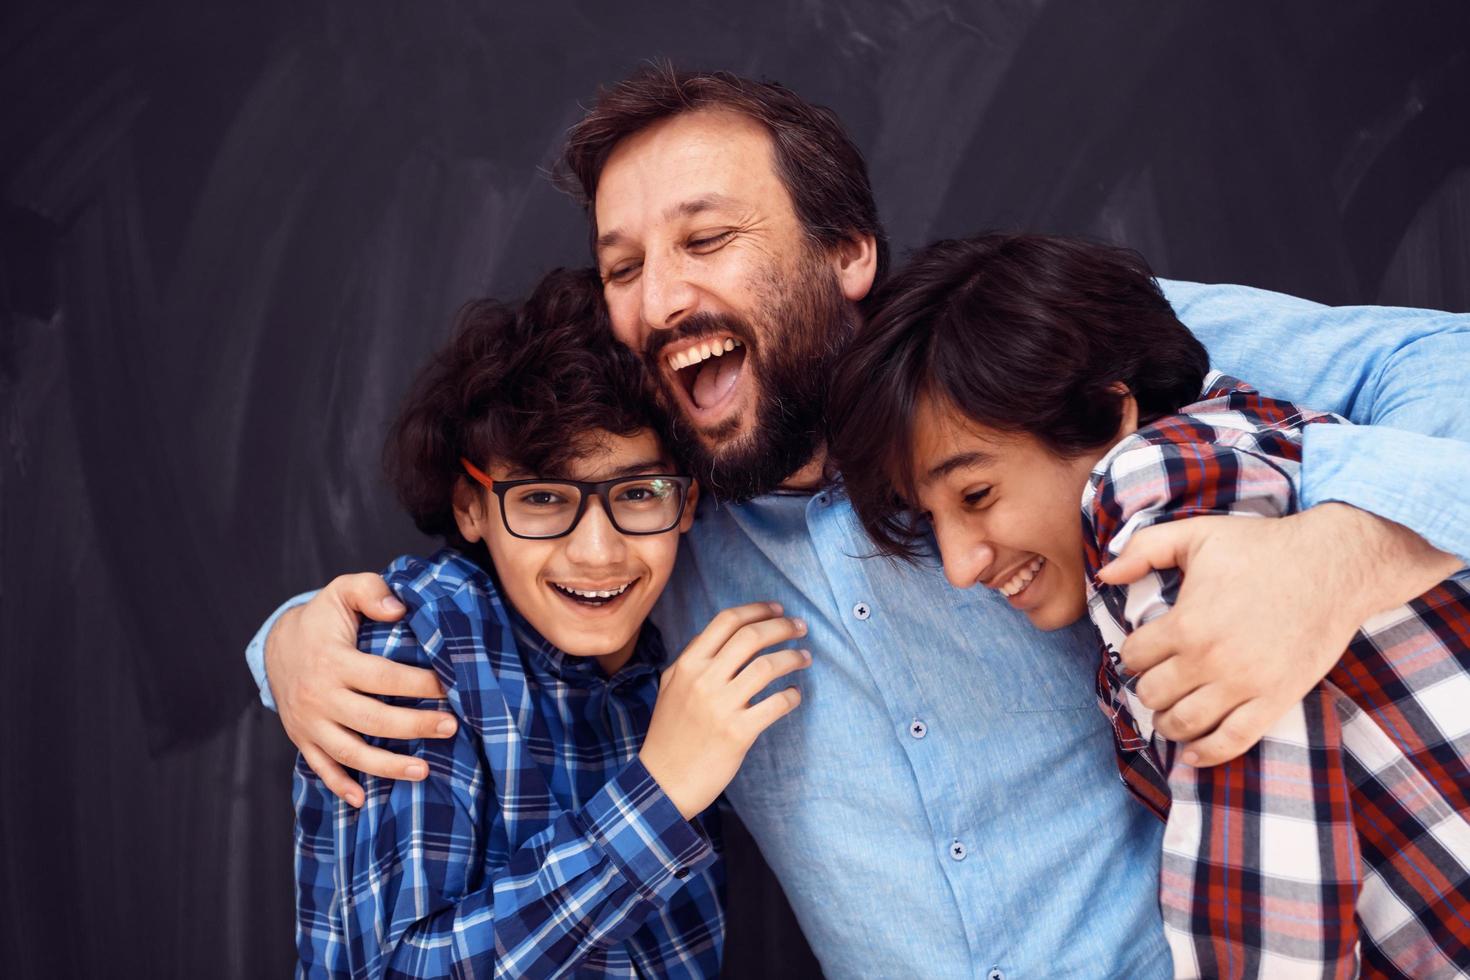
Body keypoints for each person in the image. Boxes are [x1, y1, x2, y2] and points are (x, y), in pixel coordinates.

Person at [254, 66, 1470, 976]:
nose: (661, 296)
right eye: (623, 266)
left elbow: (1448, 364)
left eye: (708, 238)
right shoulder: (655, 529)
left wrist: (1332, 557)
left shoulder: (1022, 359)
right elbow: (493, 577)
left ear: (846, 250)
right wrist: (294, 645)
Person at [827, 232, 1470, 978]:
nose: (961, 566)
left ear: (1105, 413)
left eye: (977, 495)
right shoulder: (1251, 441)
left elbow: (1275, 907)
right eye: (932, 519)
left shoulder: (1146, 489)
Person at [294, 267, 809, 977]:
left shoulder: (676, 652)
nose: (597, 553)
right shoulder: (418, 653)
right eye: (541, 499)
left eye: (638, 492)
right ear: (471, 507)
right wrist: (656, 798)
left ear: (686, 502)